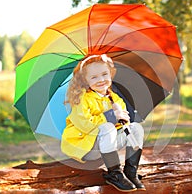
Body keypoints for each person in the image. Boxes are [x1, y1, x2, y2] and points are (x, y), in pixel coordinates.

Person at [61, 54, 145, 192]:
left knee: (136, 128)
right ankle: (114, 174)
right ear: (85, 80)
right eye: (94, 77)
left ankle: (131, 172)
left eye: (104, 74)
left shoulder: (114, 98)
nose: (101, 80)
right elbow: (85, 124)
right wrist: (112, 115)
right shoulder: (81, 98)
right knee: (107, 127)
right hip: (87, 145)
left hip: (106, 145)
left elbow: (123, 121)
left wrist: (123, 119)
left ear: (111, 75)